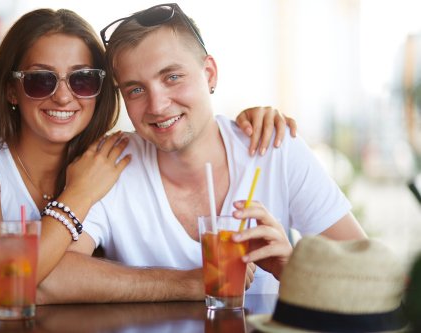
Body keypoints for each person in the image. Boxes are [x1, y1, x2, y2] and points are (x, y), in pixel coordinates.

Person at [0, 8, 292, 308]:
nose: (64, 97)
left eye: (82, 80)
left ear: (100, 90)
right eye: (40, 80)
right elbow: (4, 284)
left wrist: (240, 123)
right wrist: (79, 195)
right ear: (12, 90)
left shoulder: (103, 158)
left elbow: (182, 125)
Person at [36, 3, 367, 304]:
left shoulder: (274, 147)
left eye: (172, 77)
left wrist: (295, 271)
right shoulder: (112, 163)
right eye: (136, 89)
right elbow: (44, 280)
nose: (157, 105)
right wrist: (188, 284)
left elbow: (369, 276)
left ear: (209, 74)